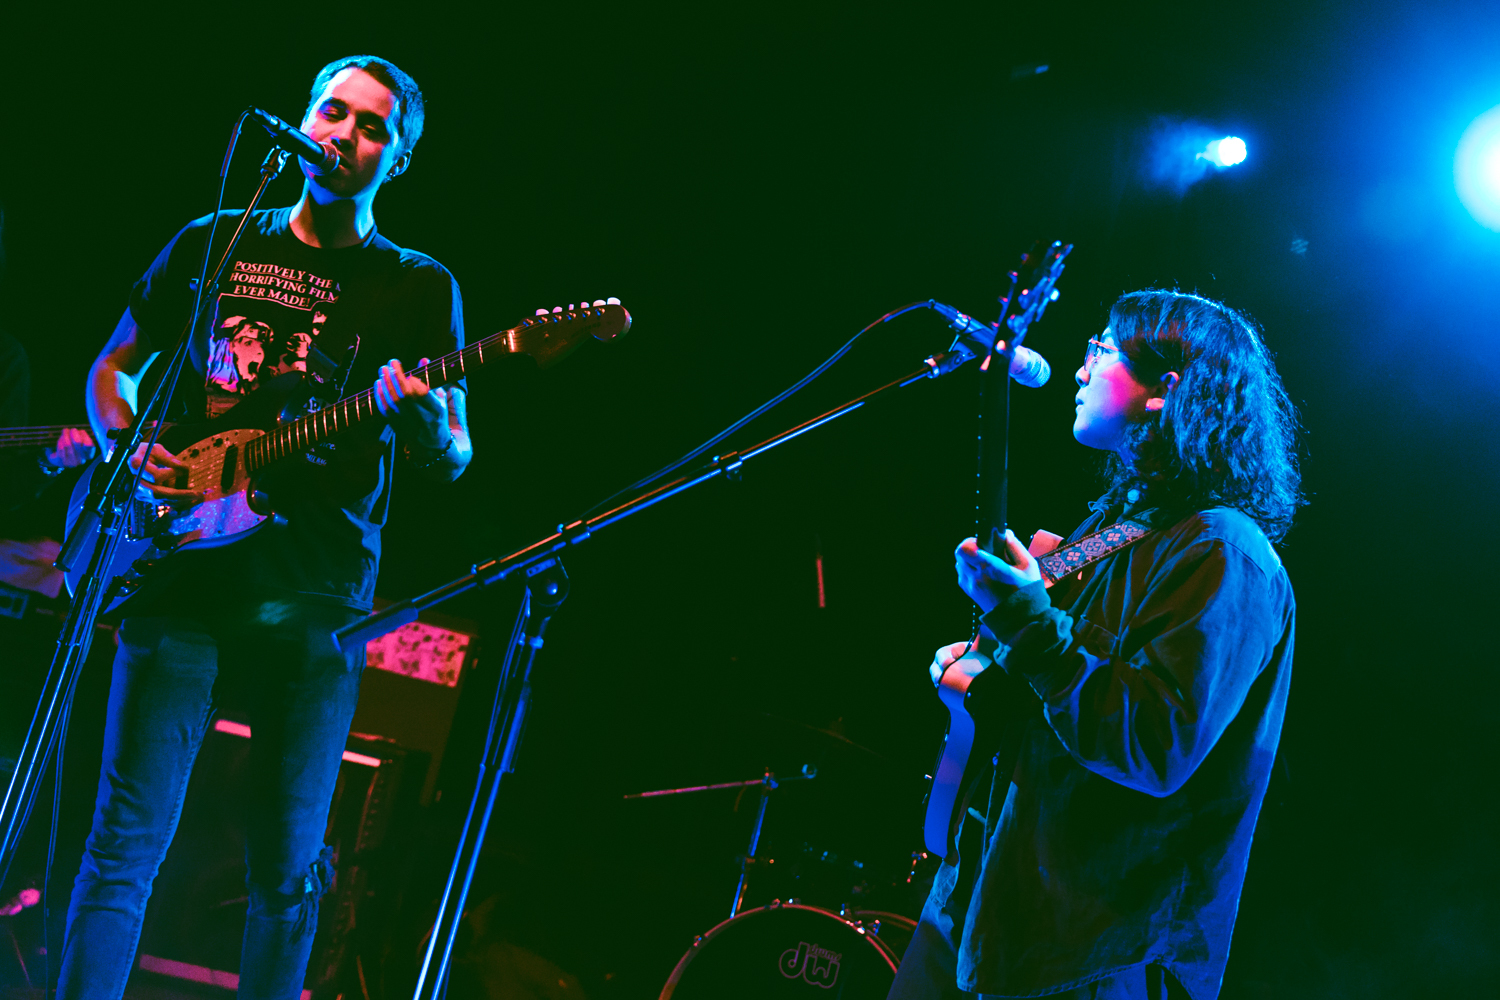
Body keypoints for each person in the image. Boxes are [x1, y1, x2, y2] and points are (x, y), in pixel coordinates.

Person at [60, 55, 472, 999]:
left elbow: (454, 454)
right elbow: (116, 364)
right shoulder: (218, 239)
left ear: (396, 159)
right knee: (124, 843)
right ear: (301, 122)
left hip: (316, 596)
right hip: (178, 571)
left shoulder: (416, 287)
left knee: (285, 871)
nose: (344, 134)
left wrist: (422, 422)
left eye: (373, 127)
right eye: (333, 112)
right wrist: (129, 451)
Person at [890, 290, 1301, 1000]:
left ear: (1164, 392)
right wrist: (981, 667)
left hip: (1092, 950)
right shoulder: (1117, 528)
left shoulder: (1225, 553)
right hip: (989, 900)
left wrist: (1025, 622)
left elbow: (1154, 743)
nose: (1079, 371)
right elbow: (1057, 691)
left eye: (1101, 351)